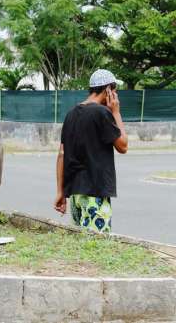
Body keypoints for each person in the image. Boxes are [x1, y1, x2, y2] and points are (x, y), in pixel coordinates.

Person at [53, 69, 128, 233]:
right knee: (98, 246)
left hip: (75, 195)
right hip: (95, 193)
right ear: (108, 90)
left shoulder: (71, 114)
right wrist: (116, 112)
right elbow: (123, 146)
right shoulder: (101, 113)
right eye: (115, 90)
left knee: (81, 246)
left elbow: (61, 154)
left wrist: (60, 191)